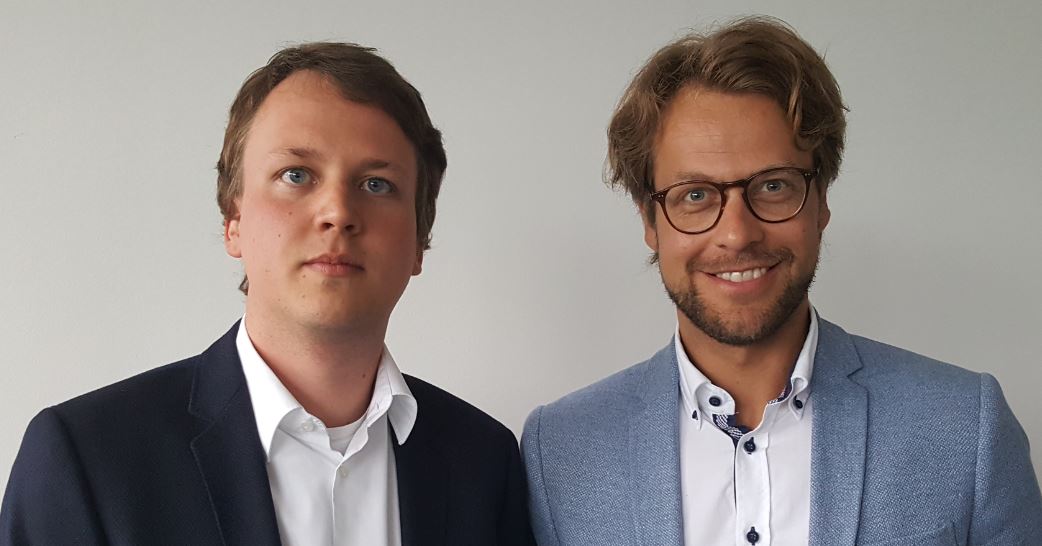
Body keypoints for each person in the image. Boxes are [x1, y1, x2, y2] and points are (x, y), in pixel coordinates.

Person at [521, 17, 1042, 546]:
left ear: (821, 202)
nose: (737, 234)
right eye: (695, 195)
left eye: (773, 186)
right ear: (649, 222)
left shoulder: (965, 426)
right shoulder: (559, 451)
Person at [1, 42, 533, 546]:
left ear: (419, 242)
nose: (338, 212)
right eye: (296, 174)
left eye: (376, 184)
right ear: (233, 221)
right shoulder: (86, 458)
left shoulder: (485, 462)